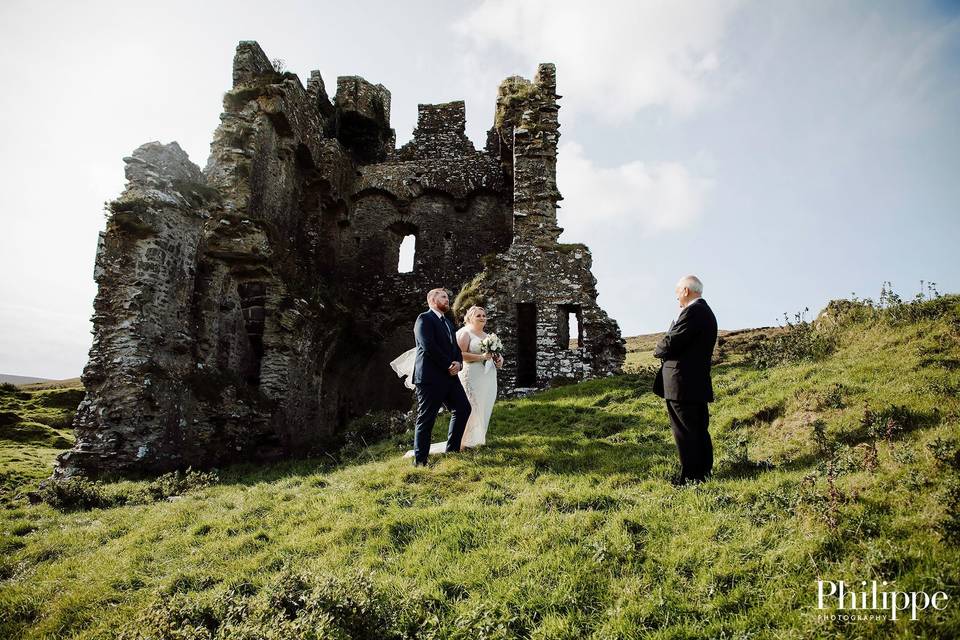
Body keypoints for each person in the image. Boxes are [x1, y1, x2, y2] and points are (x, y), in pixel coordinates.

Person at [653, 275, 718, 483]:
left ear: (685, 291)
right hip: (695, 382)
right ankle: (703, 472)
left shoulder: (693, 311)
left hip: (683, 383)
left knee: (685, 432)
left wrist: (659, 347)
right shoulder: (705, 312)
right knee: (698, 430)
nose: (677, 299)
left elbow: (670, 343)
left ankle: (690, 478)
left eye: (677, 293)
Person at [406, 288, 472, 466]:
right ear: (431, 300)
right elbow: (428, 346)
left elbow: (456, 348)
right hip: (430, 378)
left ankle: (452, 452)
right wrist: (448, 365)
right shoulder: (424, 319)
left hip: (450, 377)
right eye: (443, 297)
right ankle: (420, 462)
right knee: (426, 418)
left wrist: (458, 363)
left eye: (448, 298)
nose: (447, 300)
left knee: (463, 408)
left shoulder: (448, 323)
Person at [456, 305, 503, 449]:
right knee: (471, 406)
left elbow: (495, 354)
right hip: (472, 375)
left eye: (484, 315)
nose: (482, 318)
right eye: (478, 315)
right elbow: (459, 355)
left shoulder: (489, 337)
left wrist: (499, 360)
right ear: (470, 317)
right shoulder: (465, 333)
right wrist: (480, 356)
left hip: (488, 377)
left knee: (484, 405)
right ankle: (464, 442)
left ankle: (477, 439)